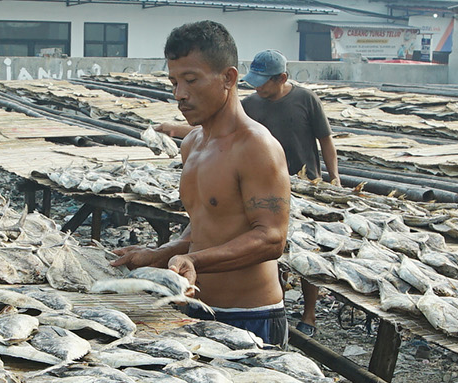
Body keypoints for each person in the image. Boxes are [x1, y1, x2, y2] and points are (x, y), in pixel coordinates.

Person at [110, 22, 291, 347]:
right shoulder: (192, 144)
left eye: (191, 80)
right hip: (194, 307)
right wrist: (161, 252)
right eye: (174, 82)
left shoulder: (256, 147)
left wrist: (195, 260)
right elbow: (208, 226)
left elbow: (271, 239)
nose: (179, 93)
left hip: (249, 317)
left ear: (229, 78)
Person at [240, 49, 338, 336]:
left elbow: (326, 140)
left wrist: (334, 178)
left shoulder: (306, 99)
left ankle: (309, 314)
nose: (258, 87)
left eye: (263, 81)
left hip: (307, 187)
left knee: (309, 253)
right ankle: (278, 303)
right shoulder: (249, 105)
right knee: (273, 249)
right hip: (266, 188)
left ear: (282, 78)